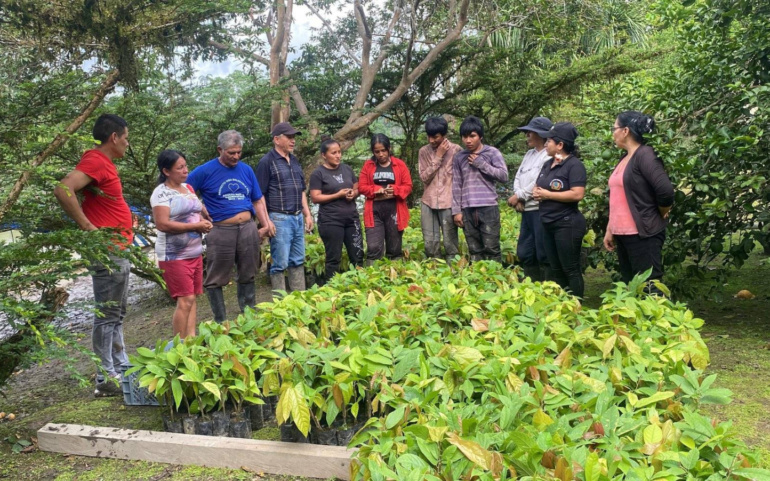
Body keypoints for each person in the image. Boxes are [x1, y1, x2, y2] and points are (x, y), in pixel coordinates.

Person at [53, 113, 133, 397]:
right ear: (114, 138)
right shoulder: (96, 160)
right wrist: (88, 228)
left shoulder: (104, 163)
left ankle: (119, 367)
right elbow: (64, 188)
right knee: (107, 313)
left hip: (117, 249)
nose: (127, 143)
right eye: (125, 138)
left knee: (117, 312)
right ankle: (105, 376)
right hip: (107, 251)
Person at [186, 130, 273, 323]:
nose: (236, 157)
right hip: (220, 230)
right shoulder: (205, 170)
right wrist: (200, 210)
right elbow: (183, 191)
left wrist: (266, 224)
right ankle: (220, 321)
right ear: (220, 149)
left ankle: (248, 316)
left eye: (238, 152)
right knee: (216, 275)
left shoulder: (246, 170)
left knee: (248, 271)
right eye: (231, 153)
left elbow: (258, 199)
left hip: (247, 228)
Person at [603, 111, 674, 287]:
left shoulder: (645, 154)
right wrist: (610, 229)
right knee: (632, 288)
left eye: (614, 128)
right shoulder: (625, 158)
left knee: (649, 287)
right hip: (623, 234)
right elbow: (619, 198)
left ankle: (659, 316)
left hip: (643, 234)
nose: (613, 132)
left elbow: (665, 191)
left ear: (625, 131)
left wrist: (661, 211)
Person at [150, 150, 213, 339]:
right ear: (166, 171)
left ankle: (191, 340)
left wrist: (206, 217)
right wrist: (195, 226)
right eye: (180, 168)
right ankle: (179, 345)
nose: (186, 170)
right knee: (185, 300)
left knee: (193, 298)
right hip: (174, 256)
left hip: (194, 252)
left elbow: (197, 207)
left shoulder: (188, 188)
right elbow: (162, 224)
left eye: (186, 166)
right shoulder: (161, 193)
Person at [256, 122, 314, 295]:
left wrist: (308, 215)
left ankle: (299, 300)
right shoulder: (266, 162)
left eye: (294, 137)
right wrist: (266, 222)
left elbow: (301, 190)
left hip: (297, 217)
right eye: (289, 137)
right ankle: (280, 305)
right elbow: (260, 196)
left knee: (298, 260)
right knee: (279, 263)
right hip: (279, 218)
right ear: (276, 139)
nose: (293, 140)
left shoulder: (294, 161)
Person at [533, 122, 587, 298]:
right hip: (547, 223)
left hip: (567, 223)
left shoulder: (574, 165)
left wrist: (548, 195)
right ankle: (563, 306)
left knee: (570, 268)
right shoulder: (547, 164)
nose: (546, 143)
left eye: (549, 140)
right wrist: (537, 192)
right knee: (555, 268)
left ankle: (578, 305)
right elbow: (539, 185)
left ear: (560, 145)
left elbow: (577, 194)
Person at [451, 116, 509, 263]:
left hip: (488, 207)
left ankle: (495, 282)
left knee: (492, 248)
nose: (468, 140)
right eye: (464, 137)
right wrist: (456, 211)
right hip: (468, 209)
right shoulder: (459, 157)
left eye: (472, 136)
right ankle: (479, 281)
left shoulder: (492, 153)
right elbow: (457, 184)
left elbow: (503, 176)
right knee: (474, 250)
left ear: (480, 136)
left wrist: (481, 164)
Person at [309, 137, 363, 282]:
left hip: (351, 219)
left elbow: (357, 187)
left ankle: (360, 284)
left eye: (339, 152)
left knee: (357, 255)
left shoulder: (347, 169)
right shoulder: (318, 174)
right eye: (333, 153)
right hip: (330, 221)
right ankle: (331, 289)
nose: (338, 155)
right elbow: (315, 197)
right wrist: (337, 195)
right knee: (334, 258)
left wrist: (354, 193)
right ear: (323, 155)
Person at [508, 117, 553, 281]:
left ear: (541, 134)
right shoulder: (529, 154)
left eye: (530, 132)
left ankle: (547, 288)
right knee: (525, 252)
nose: (527, 135)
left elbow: (539, 181)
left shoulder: (548, 156)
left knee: (543, 252)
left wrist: (519, 196)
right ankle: (531, 285)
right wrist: (518, 197)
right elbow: (518, 177)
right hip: (527, 210)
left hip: (540, 210)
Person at [358, 134, 413, 263]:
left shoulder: (399, 165)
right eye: (377, 151)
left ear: (389, 149)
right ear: (373, 152)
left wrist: (395, 190)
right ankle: (373, 275)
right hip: (374, 211)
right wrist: (376, 190)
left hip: (394, 210)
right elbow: (362, 187)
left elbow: (408, 186)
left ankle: (395, 276)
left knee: (394, 248)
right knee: (374, 246)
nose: (381, 154)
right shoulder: (368, 166)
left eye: (383, 150)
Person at [418, 117, 461, 262]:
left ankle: (453, 273)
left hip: (448, 202)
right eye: (429, 136)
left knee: (451, 244)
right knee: (430, 244)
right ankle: (434, 273)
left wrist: (459, 208)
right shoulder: (423, 152)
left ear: (444, 135)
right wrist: (438, 157)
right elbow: (424, 177)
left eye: (435, 137)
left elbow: (461, 180)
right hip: (428, 202)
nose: (431, 140)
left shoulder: (456, 151)